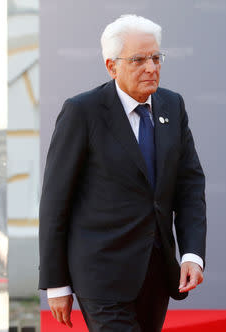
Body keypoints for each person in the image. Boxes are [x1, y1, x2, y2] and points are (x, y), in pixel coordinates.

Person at [38, 14, 207, 332]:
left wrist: (192, 254)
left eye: (156, 57)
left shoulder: (172, 105)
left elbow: (189, 186)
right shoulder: (82, 112)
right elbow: (55, 201)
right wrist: (56, 283)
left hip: (156, 275)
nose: (151, 67)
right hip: (100, 276)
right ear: (111, 66)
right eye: (139, 60)